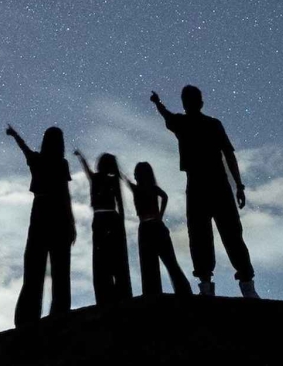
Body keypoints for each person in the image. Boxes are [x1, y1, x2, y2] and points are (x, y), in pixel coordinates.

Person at [149, 85, 258, 297]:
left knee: (219, 233)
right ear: (200, 102)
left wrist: (239, 185)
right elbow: (229, 155)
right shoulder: (205, 124)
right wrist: (238, 185)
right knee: (209, 233)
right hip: (208, 184)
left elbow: (228, 154)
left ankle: (229, 284)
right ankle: (231, 284)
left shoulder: (198, 124)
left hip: (209, 184)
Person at [6, 124, 75, 324]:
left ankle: (26, 316)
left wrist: (14, 134)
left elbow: (24, 148)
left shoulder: (38, 159)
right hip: (59, 213)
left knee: (34, 266)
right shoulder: (61, 163)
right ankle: (60, 311)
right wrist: (71, 223)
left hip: (40, 211)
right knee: (60, 266)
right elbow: (65, 194)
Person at [125, 160, 192, 297]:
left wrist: (160, 214)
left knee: (150, 264)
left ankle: (153, 293)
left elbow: (165, 197)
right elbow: (165, 196)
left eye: (136, 174)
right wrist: (160, 214)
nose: (135, 176)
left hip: (147, 227)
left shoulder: (139, 189)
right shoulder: (151, 188)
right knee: (169, 262)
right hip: (155, 226)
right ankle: (183, 293)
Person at [75, 150, 132, 305]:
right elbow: (119, 203)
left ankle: (106, 296)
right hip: (109, 218)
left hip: (102, 218)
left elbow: (88, 171)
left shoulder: (100, 179)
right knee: (114, 257)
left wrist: (81, 157)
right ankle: (117, 294)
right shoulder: (110, 180)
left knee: (102, 258)